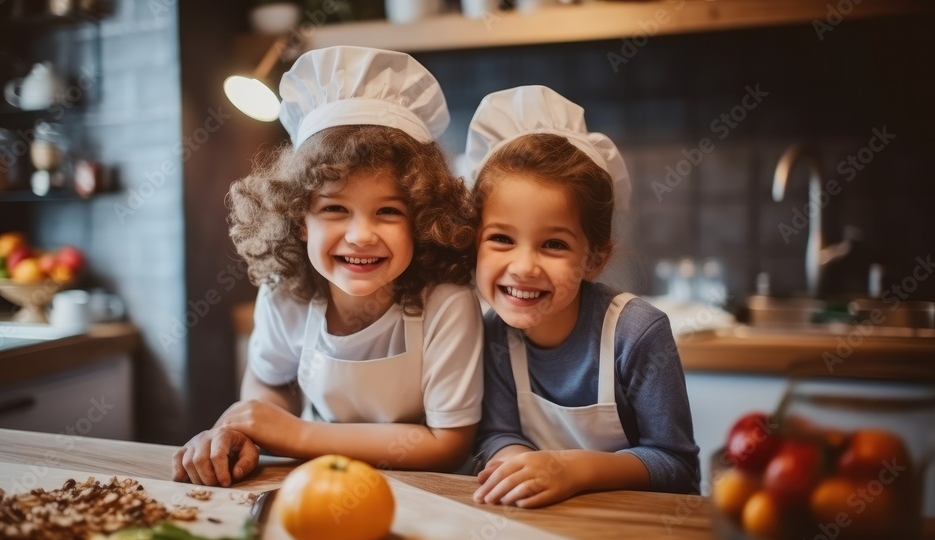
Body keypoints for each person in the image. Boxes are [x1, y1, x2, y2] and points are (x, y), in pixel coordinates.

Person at [173, 46, 484, 487]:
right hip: (320, 481)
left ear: (421, 219)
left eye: (389, 212)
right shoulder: (286, 291)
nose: (361, 235)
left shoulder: (447, 304)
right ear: (300, 220)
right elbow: (269, 386)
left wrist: (298, 434)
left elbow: (447, 444)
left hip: (430, 491)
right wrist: (248, 431)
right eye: (336, 209)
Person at [466, 85, 699, 508]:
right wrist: (519, 467)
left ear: (595, 258)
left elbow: (677, 465)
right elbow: (497, 433)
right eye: (501, 238)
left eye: (553, 244)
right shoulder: (491, 334)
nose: (523, 267)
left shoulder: (637, 333)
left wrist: (570, 470)